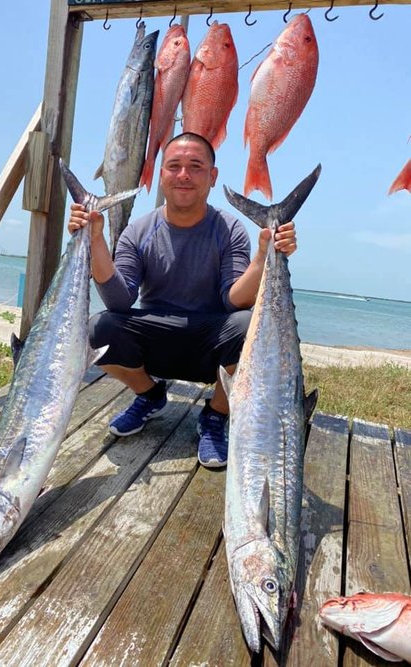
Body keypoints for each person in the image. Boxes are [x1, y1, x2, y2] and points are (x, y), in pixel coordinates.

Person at [68, 132, 297, 468]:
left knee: (248, 326)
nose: (184, 175)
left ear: (212, 176)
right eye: (174, 166)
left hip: (213, 349)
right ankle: (150, 395)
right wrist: (96, 239)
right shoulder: (138, 231)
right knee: (98, 329)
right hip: (155, 342)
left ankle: (215, 415)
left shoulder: (230, 228)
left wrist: (263, 256)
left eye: (195, 166)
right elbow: (119, 301)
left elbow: (234, 301)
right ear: (162, 175)